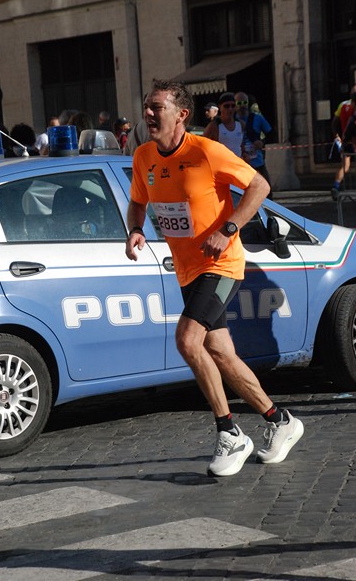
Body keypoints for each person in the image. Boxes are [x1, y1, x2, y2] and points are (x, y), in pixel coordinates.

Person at [125, 79, 304, 477]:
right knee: (221, 352)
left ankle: (229, 432)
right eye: (146, 106)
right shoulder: (143, 157)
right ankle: (280, 421)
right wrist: (134, 229)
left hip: (220, 266)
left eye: (157, 107)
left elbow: (260, 185)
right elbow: (137, 201)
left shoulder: (207, 151)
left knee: (188, 339)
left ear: (181, 114)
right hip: (187, 269)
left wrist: (230, 228)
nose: (149, 114)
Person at [235, 91, 273, 199]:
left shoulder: (257, 118)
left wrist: (262, 142)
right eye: (238, 103)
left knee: (267, 191)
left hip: (257, 162)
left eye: (244, 102)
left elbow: (270, 133)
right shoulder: (233, 121)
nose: (242, 106)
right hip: (240, 163)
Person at [331, 84, 356, 200]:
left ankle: (336, 186)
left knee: (345, 165)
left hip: (346, 140)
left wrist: (337, 136)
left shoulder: (342, 105)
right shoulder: (353, 107)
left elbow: (335, 123)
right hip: (354, 140)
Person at [203, 92, 244, 157]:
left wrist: (245, 155)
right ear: (220, 107)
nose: (230, 109)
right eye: (226, 106)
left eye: (233, 106)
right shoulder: (214, 126)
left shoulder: (241, 124)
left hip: (237, 164)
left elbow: (241, 145)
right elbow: (202, 145)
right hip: (221, 164)